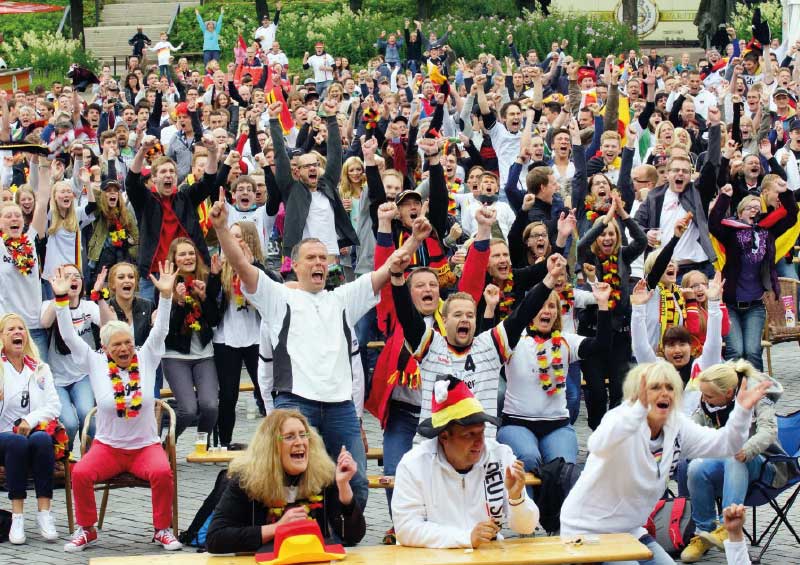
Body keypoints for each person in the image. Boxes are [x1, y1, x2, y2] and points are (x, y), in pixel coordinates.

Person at [209, 185, 409, 512]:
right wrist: (220, 229)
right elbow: (244, 268)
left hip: (340, 407)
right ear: (295, 265)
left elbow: (386, 271)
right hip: (295, 402)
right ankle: (304, 532)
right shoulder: (279, 297)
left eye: (323, 258)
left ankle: (346, 536)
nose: (319, 263)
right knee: (295, 478)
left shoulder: (342, 298)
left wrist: (412, 242)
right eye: (311, 258)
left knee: (355, 480)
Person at [559, 361, 772, 565]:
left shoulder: (676, 425)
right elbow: (598, 444)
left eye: (670, 387)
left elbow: (726, 445)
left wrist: (742, 413)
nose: (664, 393)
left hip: (631, 529)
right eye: (655, 387)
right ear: (638, 393)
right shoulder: (621, 419)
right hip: (588, 530)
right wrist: (638, 411)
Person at [60, 261, 183, 552]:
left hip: (145, 446)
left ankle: (162, 530)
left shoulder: (146, 356)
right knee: (80, 473)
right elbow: (67, 336)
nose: (125, 349)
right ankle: (87, 529)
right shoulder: (95, 362)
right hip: (108, 447)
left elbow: (161, 329)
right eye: (117, 345)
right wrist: (62, 301)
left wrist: (165, 297)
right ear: (105, 349)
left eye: (128, 342)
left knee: (163, 472)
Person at [391, 374, 539, 548]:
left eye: (481, 432)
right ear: (444, 436)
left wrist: (517, 498)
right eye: (469, 435)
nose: (480, 441)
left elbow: (527, 527)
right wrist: (466, 538)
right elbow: (406, 528)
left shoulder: (500, 455)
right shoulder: (413, 464)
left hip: (486, 558)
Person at [205, 409, 366, 553]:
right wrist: (277, 528)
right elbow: (215, 539)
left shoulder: (322, 475)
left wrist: (344, 487)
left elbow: (353, 535)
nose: (299, 442)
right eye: (289, 437)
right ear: (271, 447)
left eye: (303, 435)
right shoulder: (246, 481)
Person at [680, 361, 781, 562]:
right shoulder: (707, 403)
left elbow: (769, 431)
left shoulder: (757, 396)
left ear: (727, 393)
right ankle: (704, 532)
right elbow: (690, 430)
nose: (704, 399)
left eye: (709, 396)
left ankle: (728, 527)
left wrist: (748, 448)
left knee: (734, 454)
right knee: (696, 467)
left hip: (766, 466)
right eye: (703, 394)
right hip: (728, 467)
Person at [709, 183, 798, 371]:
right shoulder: (731, 232)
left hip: (755, 305)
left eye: (757, 208)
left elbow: (791, 216)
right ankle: (731, 395)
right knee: (736, 351)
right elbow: (714, 224)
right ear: (740, 212)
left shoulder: (767, 232)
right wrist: (724, 198)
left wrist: (786, 192)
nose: (754, 211)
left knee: (752, 351)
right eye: (750, 208)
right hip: (731, 304)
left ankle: (755, 393)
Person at [0, 313, 61, 545]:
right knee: (17, 442)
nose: (17, 333)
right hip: (2, 437)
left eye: (21, 329)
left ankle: (44, 513)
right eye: (11, 330)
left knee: (42, 440)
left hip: (30, 433)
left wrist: (30, 419)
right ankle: (17, 516)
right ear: (1, 338)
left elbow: (54, 405)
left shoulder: (40, 368)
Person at [161, 237, 221, 441]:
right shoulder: (165, 284)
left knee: (211, 406)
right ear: (174, 259)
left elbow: (214, 320)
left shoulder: (205, 278)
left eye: (191, 253)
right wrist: (177, 303)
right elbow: (166, 328)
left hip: (204, 354)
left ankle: (201, 443)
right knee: (187, 410)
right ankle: (166, 445)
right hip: (175, 355)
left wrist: (204, 297)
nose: (188, 257)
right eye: (182, 254)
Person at [39, 263, 100, 451]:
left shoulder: (89, 306)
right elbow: (44, 321)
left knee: (88, 416)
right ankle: (65, 458)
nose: (73, 279)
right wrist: (60, 296)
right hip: (57, 379)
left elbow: (107, 325)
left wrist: (101, 297)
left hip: (82, 376)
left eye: (77, 276)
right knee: (70, 423)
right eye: (67, 276)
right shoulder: (49, 305)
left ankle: (91, 460)